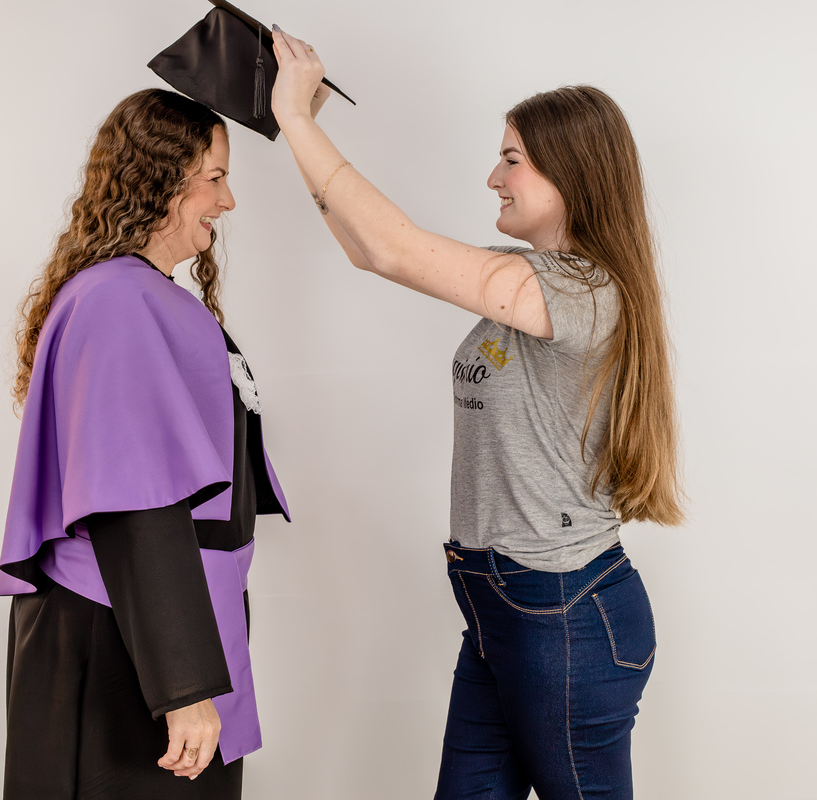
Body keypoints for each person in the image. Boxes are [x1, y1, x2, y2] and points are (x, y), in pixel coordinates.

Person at [268, 26, 684, 800]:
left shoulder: (585, 293)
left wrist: (294, 117)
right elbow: (368, 249)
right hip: (501, 609)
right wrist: (303, 129)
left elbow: (394, 248)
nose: (494, 177)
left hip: (564, 616)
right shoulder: (531, 279)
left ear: (570, 174)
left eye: (512, 159)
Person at [0, 88, 289, 800]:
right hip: (126, 634)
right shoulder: (119, 301)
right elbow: (134, 501)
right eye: (214, 178)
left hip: (159, 620)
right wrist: (182, 686)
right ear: (159, 179)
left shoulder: (135, 294)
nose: (227, 201)